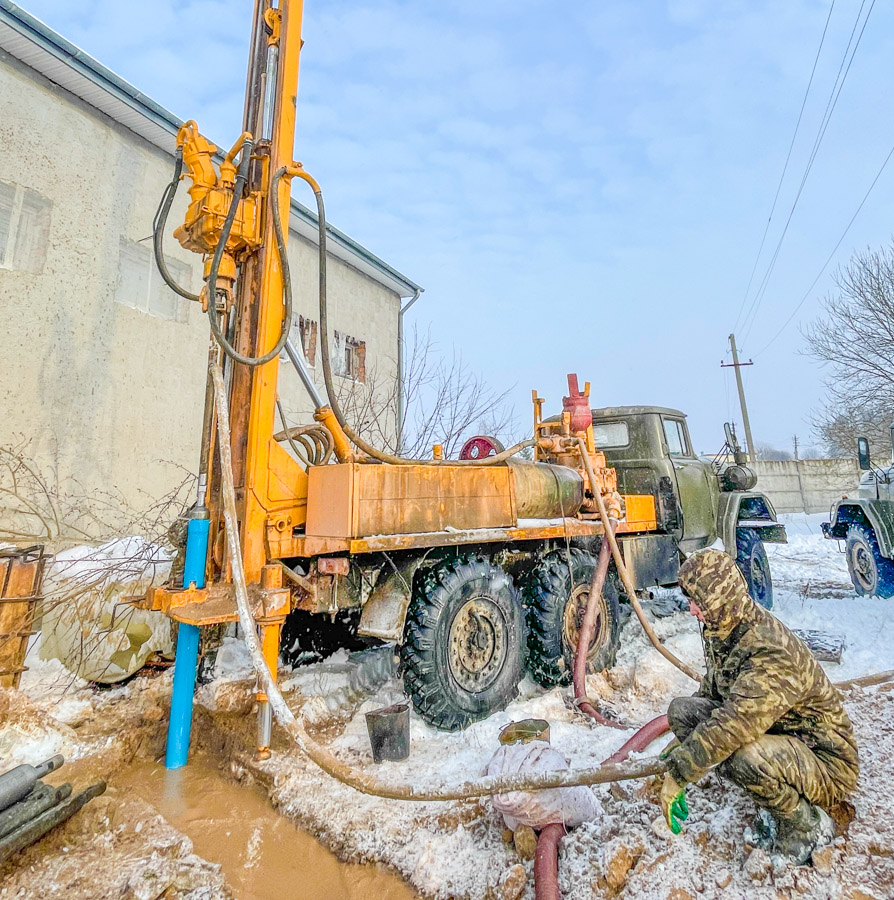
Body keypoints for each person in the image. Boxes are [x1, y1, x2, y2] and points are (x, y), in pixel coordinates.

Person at [658, 548, 859, 864]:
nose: (692, 609)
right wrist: (683, 747)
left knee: (742, 754)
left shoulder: (767, 652)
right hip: (779, 736)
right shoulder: (727, 625)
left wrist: (680, 773)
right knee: (682, 713)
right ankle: (770, 792)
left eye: (699, 602)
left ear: (721, 601)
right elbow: (713, 691)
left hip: (825, 763)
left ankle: (803, 823)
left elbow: (735, 724)